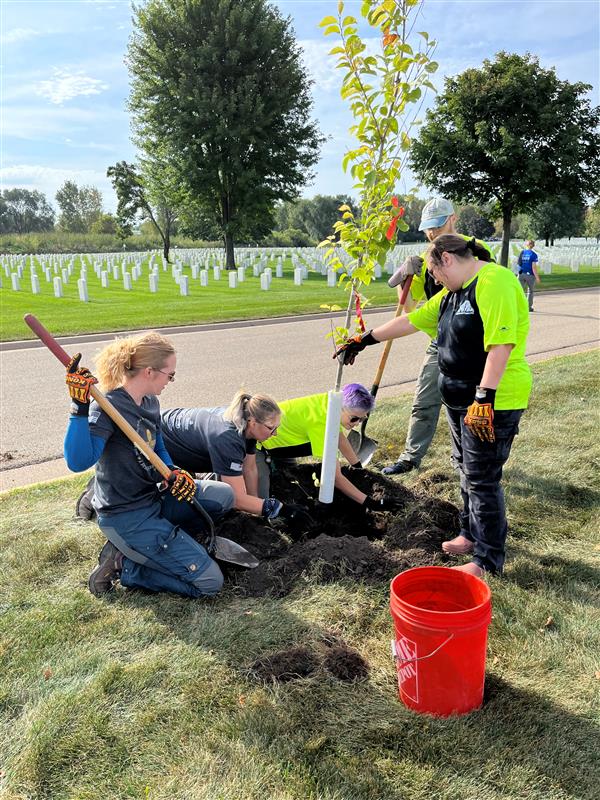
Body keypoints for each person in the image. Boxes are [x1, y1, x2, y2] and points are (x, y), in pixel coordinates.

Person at [335, 235, 531, 577]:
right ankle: (470, 534)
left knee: (483, 479)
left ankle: (488, 560)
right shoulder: (453, 293)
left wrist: (484, 396)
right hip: (459, 402)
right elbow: (411, 320)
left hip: (490, 402)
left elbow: (501, 344)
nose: (434, 280)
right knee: (465, 470)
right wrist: (363, 340)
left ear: (448, 259)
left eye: (435, 273)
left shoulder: (494, 281)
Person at [64, 331, 234, 598]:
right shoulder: (107, 407)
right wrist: (79, 408)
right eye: (170, 374)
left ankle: (163, 547)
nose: (171, 381)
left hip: (152, 498)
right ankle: (126, 566)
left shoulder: (151, 402)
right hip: (125, 514)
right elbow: (77, 461)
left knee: (223, 495)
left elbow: (159, 447)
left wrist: (172, 472)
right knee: (210, 583)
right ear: (149, 372)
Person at [382, 198, 493, 476]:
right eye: (428, 228)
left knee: (468, 403)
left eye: (437, 225)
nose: (432, 233)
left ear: (452, 219)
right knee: (424, 399)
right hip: (440, 342)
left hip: (476, 342)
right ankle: (410, 457)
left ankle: (466, 459)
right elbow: (409, 309)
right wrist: (406, 278)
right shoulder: (424, 260)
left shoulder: (475, 249)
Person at [161, 392, 313, 529]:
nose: (275, 434)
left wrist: (256, 510)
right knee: (195, 495)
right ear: (253, 422)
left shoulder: (246, 425)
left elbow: (250, 468)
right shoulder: (228, 438)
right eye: (271, 428)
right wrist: (280, 509)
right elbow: (236, 499)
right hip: (161, 439)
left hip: (182, 435)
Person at [256, 383, 397, 513]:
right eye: (354, 419)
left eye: (362, 419)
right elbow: (334, 477)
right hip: (258, 443)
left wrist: (357, 466)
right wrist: (372, 504)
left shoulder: (331, 402)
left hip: (281, 443)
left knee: (289, 481)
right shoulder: (322, 424)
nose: (357, 424)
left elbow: (339, 437)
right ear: (341, 408)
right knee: (262, 498)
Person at [517, 240, 540, 311]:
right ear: (533, 246)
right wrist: (537, 277)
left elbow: (518, 263)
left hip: (521, 274)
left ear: (526, 245)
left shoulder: (522, 252)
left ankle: (518, 306)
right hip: (530, 275)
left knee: (519, 291)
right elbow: (533, 267)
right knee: (530, 291)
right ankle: (528, 307)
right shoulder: (534, 255)